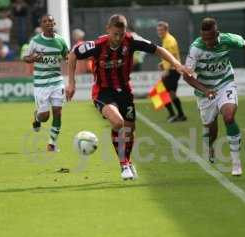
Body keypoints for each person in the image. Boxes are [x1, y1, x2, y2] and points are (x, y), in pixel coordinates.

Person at [66, 14, 191, 180]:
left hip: (125, 91)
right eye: (115, 34)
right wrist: (71, 83)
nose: (118, 38)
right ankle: (123, 164)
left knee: (130, 130)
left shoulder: (131, 40)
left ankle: (128, 160)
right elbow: (73, 54)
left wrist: (177, 64)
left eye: (121, 33)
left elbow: (158, 49)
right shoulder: (97, 45)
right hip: (103, 92)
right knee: (118, 122)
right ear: (108, 30)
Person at [183, 17, 245, 176]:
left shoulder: (228, 39)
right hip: (206, 91)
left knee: (229, 117)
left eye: (211, 38)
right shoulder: (196, 48)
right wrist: (205, 90)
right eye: (205, 38)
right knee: (211, 130)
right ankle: (210, 146)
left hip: (226, 83)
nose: (208, 42)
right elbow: (187, 76)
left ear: (217, 33)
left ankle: (236, 163)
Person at [23, 14, 69, 152]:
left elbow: (67, 55)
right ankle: (37, 117)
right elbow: (25, 57)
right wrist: (33, 58)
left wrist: (69, 59)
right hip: (41, 83)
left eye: (50, 21)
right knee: (44, 117)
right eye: (45, 21)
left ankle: (52, 144)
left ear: (54, 23)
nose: (48, 23)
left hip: (57, 82)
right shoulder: (35, 41)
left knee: (58, 112)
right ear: (41, 25)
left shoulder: (61, 41)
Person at [156, 21, 187, 122]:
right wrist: (162, 63)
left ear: (166, 30)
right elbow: (168, 56)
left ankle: (175, 114)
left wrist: (167, 69)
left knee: (161, 92)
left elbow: (172, 56)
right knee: (169, 93)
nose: (159, 32)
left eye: (161, 30)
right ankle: (179, 115)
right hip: (173, 70)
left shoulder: (169, 40)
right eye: (158, 30)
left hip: (173, 71)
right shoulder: (166, 39)